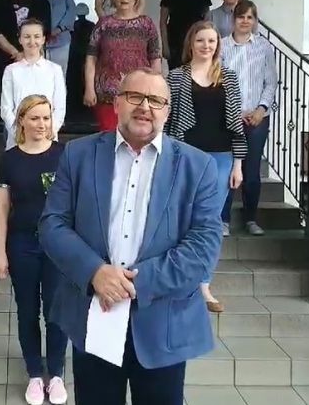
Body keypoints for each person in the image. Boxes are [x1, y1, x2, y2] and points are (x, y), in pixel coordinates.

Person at [39, 68, 224, 405]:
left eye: (156, 100)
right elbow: (52, 224)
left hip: (162, 324)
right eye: (135, 96)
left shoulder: (198, 167)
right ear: (117, 103)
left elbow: (203, 247)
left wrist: (133, 284)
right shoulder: (78, 154)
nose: (145, 107)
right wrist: (95, 272)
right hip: (94, 317)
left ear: (167, 110)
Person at [163, 21, 247, 312]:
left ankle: (204, 284)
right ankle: (180, 278)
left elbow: (237, 125)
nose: (206, 46)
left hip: (221, 158)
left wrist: (238, 164)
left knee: (210, 221)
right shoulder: (176, 77)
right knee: (182, 217)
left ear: (217, 45)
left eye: (211, 41)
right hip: (185, 155)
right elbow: (167, 121)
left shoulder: (229, 77)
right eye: (201, 40)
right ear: (191, 43)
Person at [0, 95, 70, 405]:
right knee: (27, 311)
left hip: (57, 246)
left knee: (56, 311)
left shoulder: (64, 155)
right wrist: (0, 253)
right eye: (35, 118)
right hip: (22, 243)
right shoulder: (8, 160)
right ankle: (35, 374)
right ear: (22, 121)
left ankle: (57, 373)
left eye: (46, 118)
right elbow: (1, 209)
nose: (41, 124)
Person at [219, 0, 277, 236]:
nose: (245, 21)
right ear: (234, 19)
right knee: (226, 169)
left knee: (251, 171)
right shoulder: (221, 46)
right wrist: (233, 111)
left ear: (255, 21)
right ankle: (223, 220)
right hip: (228, 117)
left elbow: (271, 82)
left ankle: (251, 218)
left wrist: (261, 109)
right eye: (241, 16)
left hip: (257, 118)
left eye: (249, 17)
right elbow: (218, 81)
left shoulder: (264, 47)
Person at [84, 0, 163, 132]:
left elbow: (155, 58)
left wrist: (155, 87)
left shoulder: (146, 24)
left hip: (139, 92)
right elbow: (91, 58)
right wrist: (89, 88)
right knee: (109, 135)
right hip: (107, 93)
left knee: (135, 134)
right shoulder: (103, 24)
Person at [0, 0, 53, 123]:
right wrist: (16, 53)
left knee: (34, 99)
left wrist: (27, 53)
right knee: (6, 102)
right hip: (6, 58)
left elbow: (45, 31)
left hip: (34, 59)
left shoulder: (41, 2)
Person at [0, 19, 66, 150]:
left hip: (47, 138)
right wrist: (18, 132)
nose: (32, 41)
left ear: (43, 39)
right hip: (18, 139)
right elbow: (6, 108)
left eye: (36, 36)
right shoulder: (11, 70)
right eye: (27, 37)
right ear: (20, 39)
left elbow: (59, 106)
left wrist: (50, 130)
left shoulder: (54, 70)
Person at [159, 0, 211, 67]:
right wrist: (165, 46)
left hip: (196, 40)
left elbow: (207, 20)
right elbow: (163, 22)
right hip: (175, 42)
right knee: (176, 75)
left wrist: (206, 41)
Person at [35, 0, 77, 77]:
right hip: (38, 44)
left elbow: (71, 14)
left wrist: (57, 30)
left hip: (61, 42)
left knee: (59, 75)